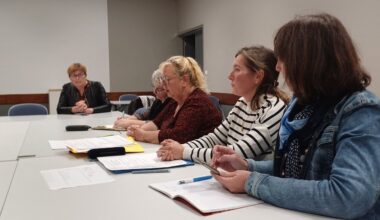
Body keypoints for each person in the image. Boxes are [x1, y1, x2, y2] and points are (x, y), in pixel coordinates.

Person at [211, 13, 380, 219]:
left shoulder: (360, 111)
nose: (278, 67)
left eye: (283, 58)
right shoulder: (300, 105)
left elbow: (348, 197)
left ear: (308, 61)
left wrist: (251, 181)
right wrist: (248, 166)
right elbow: (296, 171)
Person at [156, 46, 288, 163]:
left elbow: (236, 153)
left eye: (237, 69)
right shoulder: (242, 103)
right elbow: (214, 138)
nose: (230, 76)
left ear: (258, 77)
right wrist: (181, 147)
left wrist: (183, 152)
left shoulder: (273, 108)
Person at [128, 56, 222, 144]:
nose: (164, 85)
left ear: (184, 80)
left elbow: (178, 135)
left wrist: (143, 135)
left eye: (168, 80)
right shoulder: (175, 100)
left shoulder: (198, 101)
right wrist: (138, 130)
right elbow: (157, 122)